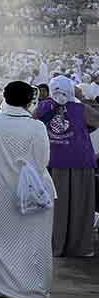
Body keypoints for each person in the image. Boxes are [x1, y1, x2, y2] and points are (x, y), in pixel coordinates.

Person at [0, 81, 54, 298]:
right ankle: (31, 286)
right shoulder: (36, 127)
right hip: (30, 189)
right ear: (29, 101)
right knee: (32, 239)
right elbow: (42, 161)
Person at [35, 75, 98, 257]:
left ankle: (56, 245)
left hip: (53, 163)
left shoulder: (43, 107)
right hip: (81, 162)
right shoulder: (81, 109)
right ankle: (80, 246)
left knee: (56, 207)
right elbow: (96, 121)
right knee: (81, 206)